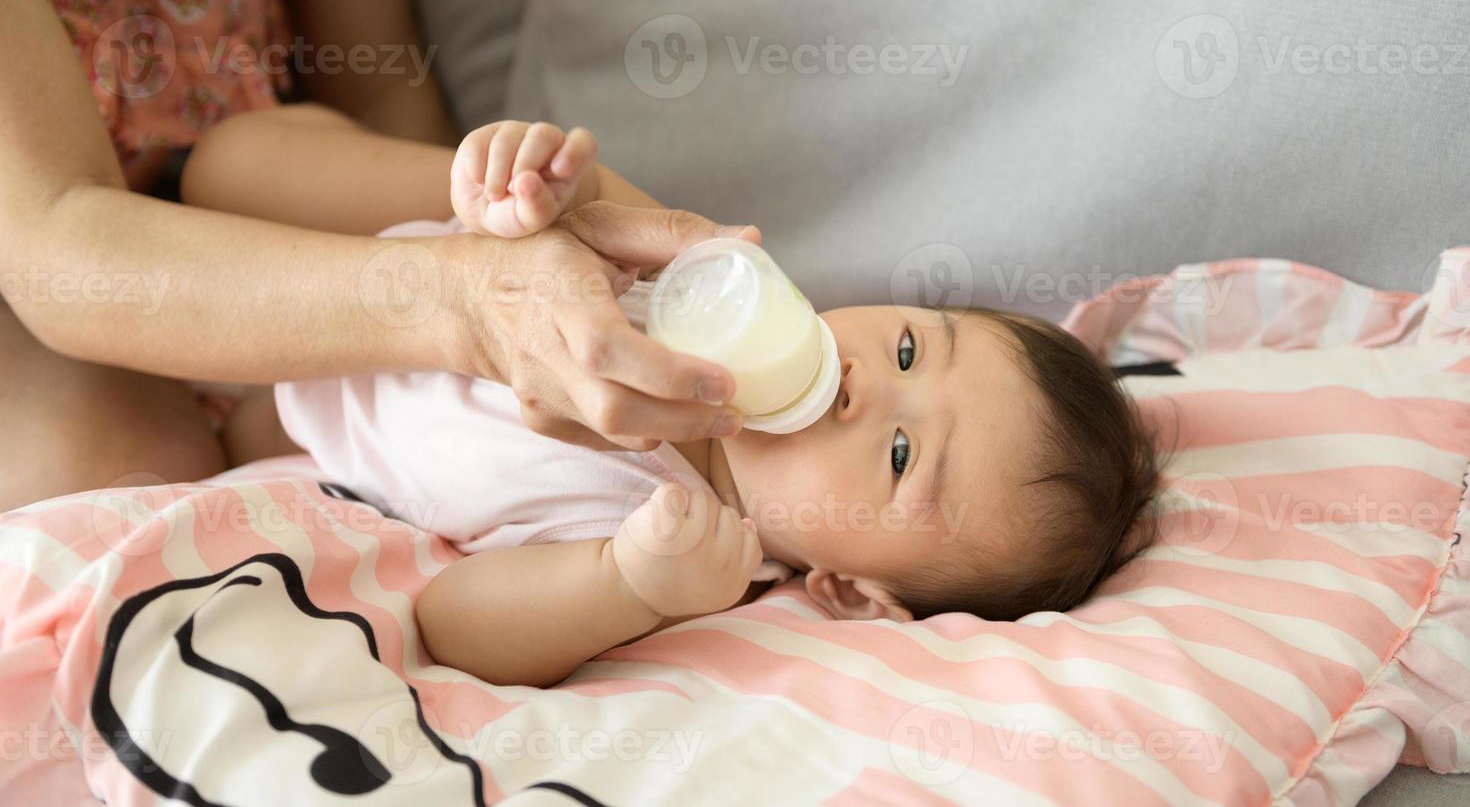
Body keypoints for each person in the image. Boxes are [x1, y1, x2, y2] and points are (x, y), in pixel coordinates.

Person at [186, 118, 1163, 688]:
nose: (867, 376)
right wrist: (527, 185)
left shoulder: (684, 547)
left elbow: (451, 620)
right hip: (366, 257)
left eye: (901, 455)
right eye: (908, 344)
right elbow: (584, 209)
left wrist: (625, 582)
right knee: (228, 161)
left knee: (179, 450)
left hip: (298, 426)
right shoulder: (709, 296)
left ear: (850, 588)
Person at [0, 0, 749, 511]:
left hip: (233, 196)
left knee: (291, 470)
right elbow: (50, 230)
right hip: (42, 259)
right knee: (128, 484)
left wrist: (497, 220)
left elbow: (382, 86)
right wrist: (467, 302)